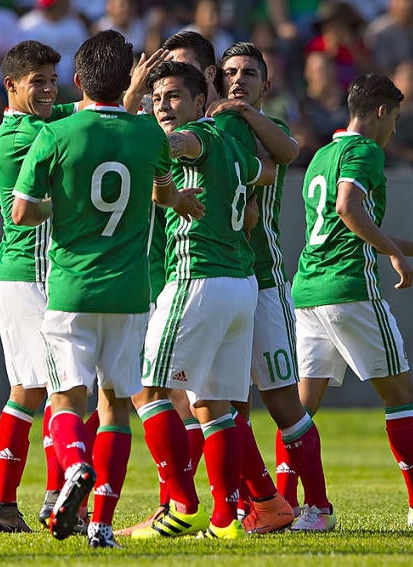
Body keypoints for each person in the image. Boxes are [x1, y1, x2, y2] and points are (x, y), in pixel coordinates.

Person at [11, 31, 204, 548]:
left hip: (72, 291)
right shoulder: (149, 137)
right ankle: (101, 526)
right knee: (118, 405)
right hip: (129, 293)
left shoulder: (56, 134)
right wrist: (174, 201)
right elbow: (163, 189)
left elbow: (22, 211)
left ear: (78, 81)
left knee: (67, 401)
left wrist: (66, 208)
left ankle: (74, 465)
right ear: (129, 82)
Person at [291, 73, 413, 528]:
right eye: (394, 117)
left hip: (308, 290)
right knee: (399, 394)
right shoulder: (364, 151)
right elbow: (349, 208)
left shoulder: (321, 156)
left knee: (299, 407)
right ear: (379, 112)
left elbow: (346, 221)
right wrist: (395, 256)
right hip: (349, 288)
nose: (394, 128)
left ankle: (294, 505)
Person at [129, 60, 275, 540]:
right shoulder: (233, 146)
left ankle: (180, 504)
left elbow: (174, 146)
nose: (163, 107)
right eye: (157, 99)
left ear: (199, 101)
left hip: (199, 278)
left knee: (146, 388)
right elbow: (266, 172)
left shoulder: (195, 138)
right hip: (239, 285)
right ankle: (223, 522)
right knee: (214, 406)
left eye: (173, 97)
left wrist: (145, 141)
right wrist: (234, 193)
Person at [209, 41, 333, 532]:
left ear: (267, 84)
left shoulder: (269, 129)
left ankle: (319, 507)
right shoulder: (215, 128)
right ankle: (249, 504)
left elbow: (288, 153)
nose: (239, 79)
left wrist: (241, 110)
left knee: (283, 398)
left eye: (249, 74)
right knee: (230, 403)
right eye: (231, 72)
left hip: (264, 282)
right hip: (225, 278)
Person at [0, 39, 84, 535]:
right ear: (12, 87)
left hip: (36, 273)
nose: (49, 89)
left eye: (52, 79)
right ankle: (45, 498)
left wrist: (124, 92)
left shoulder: (44, 116)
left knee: (37, 388)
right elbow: (80, 127)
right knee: (50, 386)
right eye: (37, 82)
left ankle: (19, 506)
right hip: (27, 274)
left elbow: (85, 109)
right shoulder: (19, 134)